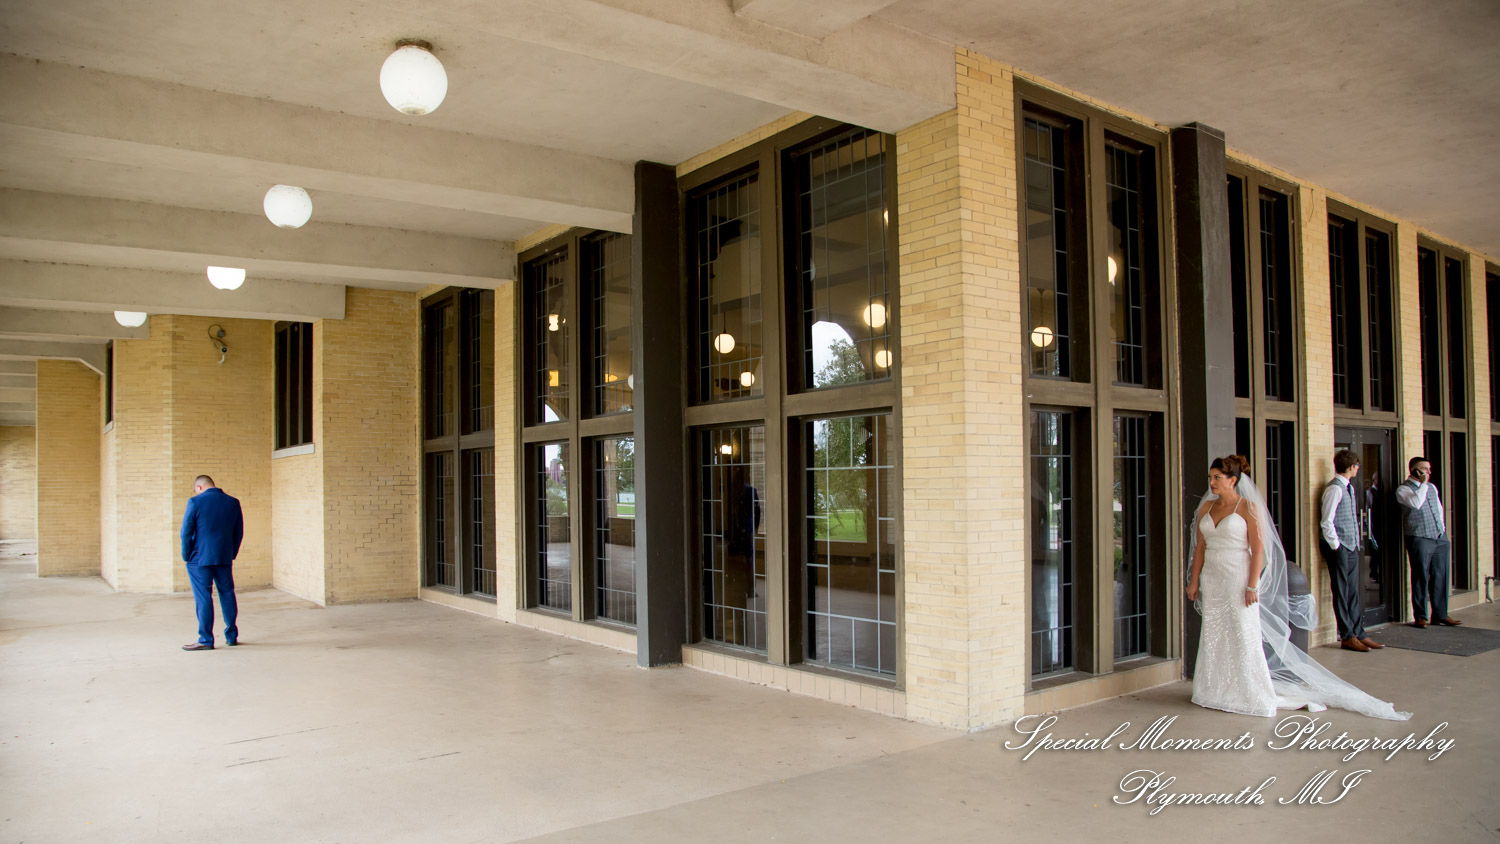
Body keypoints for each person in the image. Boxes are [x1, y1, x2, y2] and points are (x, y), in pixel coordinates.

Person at [1186, 455, 1409, 720]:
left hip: (1238, 578)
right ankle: (1213, 689)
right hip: (1213, 578)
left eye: (1217, 478)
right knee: (1214, 632)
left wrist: (1252, 585)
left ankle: (1249, 691)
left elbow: (1258, 551)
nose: (1211, 482)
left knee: (1242, 632)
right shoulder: (1206, 509)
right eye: (1211, 478)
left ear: (1233, 480)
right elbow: (1200, 547)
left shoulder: (1247, 507)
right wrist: (1194, 580)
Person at [1317, 450, 1382, 652]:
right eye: (1357, 465)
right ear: (1351, 466)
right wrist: (1337, 547)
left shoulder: (1348, 488)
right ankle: (1347, 636)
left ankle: (1358, 632)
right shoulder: (1334, 489)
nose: (1358, 468)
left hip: (1352, 546)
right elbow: (1326, 521)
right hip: (1340, 548)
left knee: (1353, 591)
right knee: (1342, 592)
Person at [1396, 456, 1463, 628]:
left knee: (1441, 575)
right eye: (1424, 469)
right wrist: (1423, 484)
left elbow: (1438, 509)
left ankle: (1440, 614)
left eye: (1429, 469)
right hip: (1419, 537)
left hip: (1439, 537)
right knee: (1420, 575)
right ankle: (1420, 616)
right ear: (1414, 470)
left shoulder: (1432, 487)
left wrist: (1442, 530)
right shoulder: (1403, 490)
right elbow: (1416, 503)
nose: (1428, 472)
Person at [179, 474, 244, 651]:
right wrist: (231, 554)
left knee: (203, 598)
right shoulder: (233, 502)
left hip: (200, 558)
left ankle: (206, 639)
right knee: (227, 594)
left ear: (199, 487)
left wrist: (187, 555)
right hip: (223, 556)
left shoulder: (195, 502)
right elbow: (238, 533)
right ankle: (231, 636)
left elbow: (185, 532)